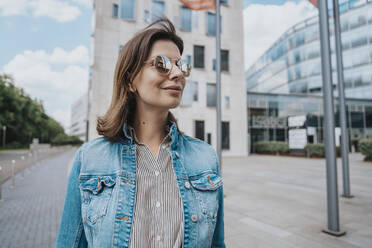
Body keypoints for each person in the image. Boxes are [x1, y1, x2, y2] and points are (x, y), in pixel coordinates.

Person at [55, 17, 225, 248]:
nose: (178, 74)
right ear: (130, 80)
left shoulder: (205, 158)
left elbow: (217, 244)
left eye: (181, 65)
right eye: (162, 63)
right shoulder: (90, 159)